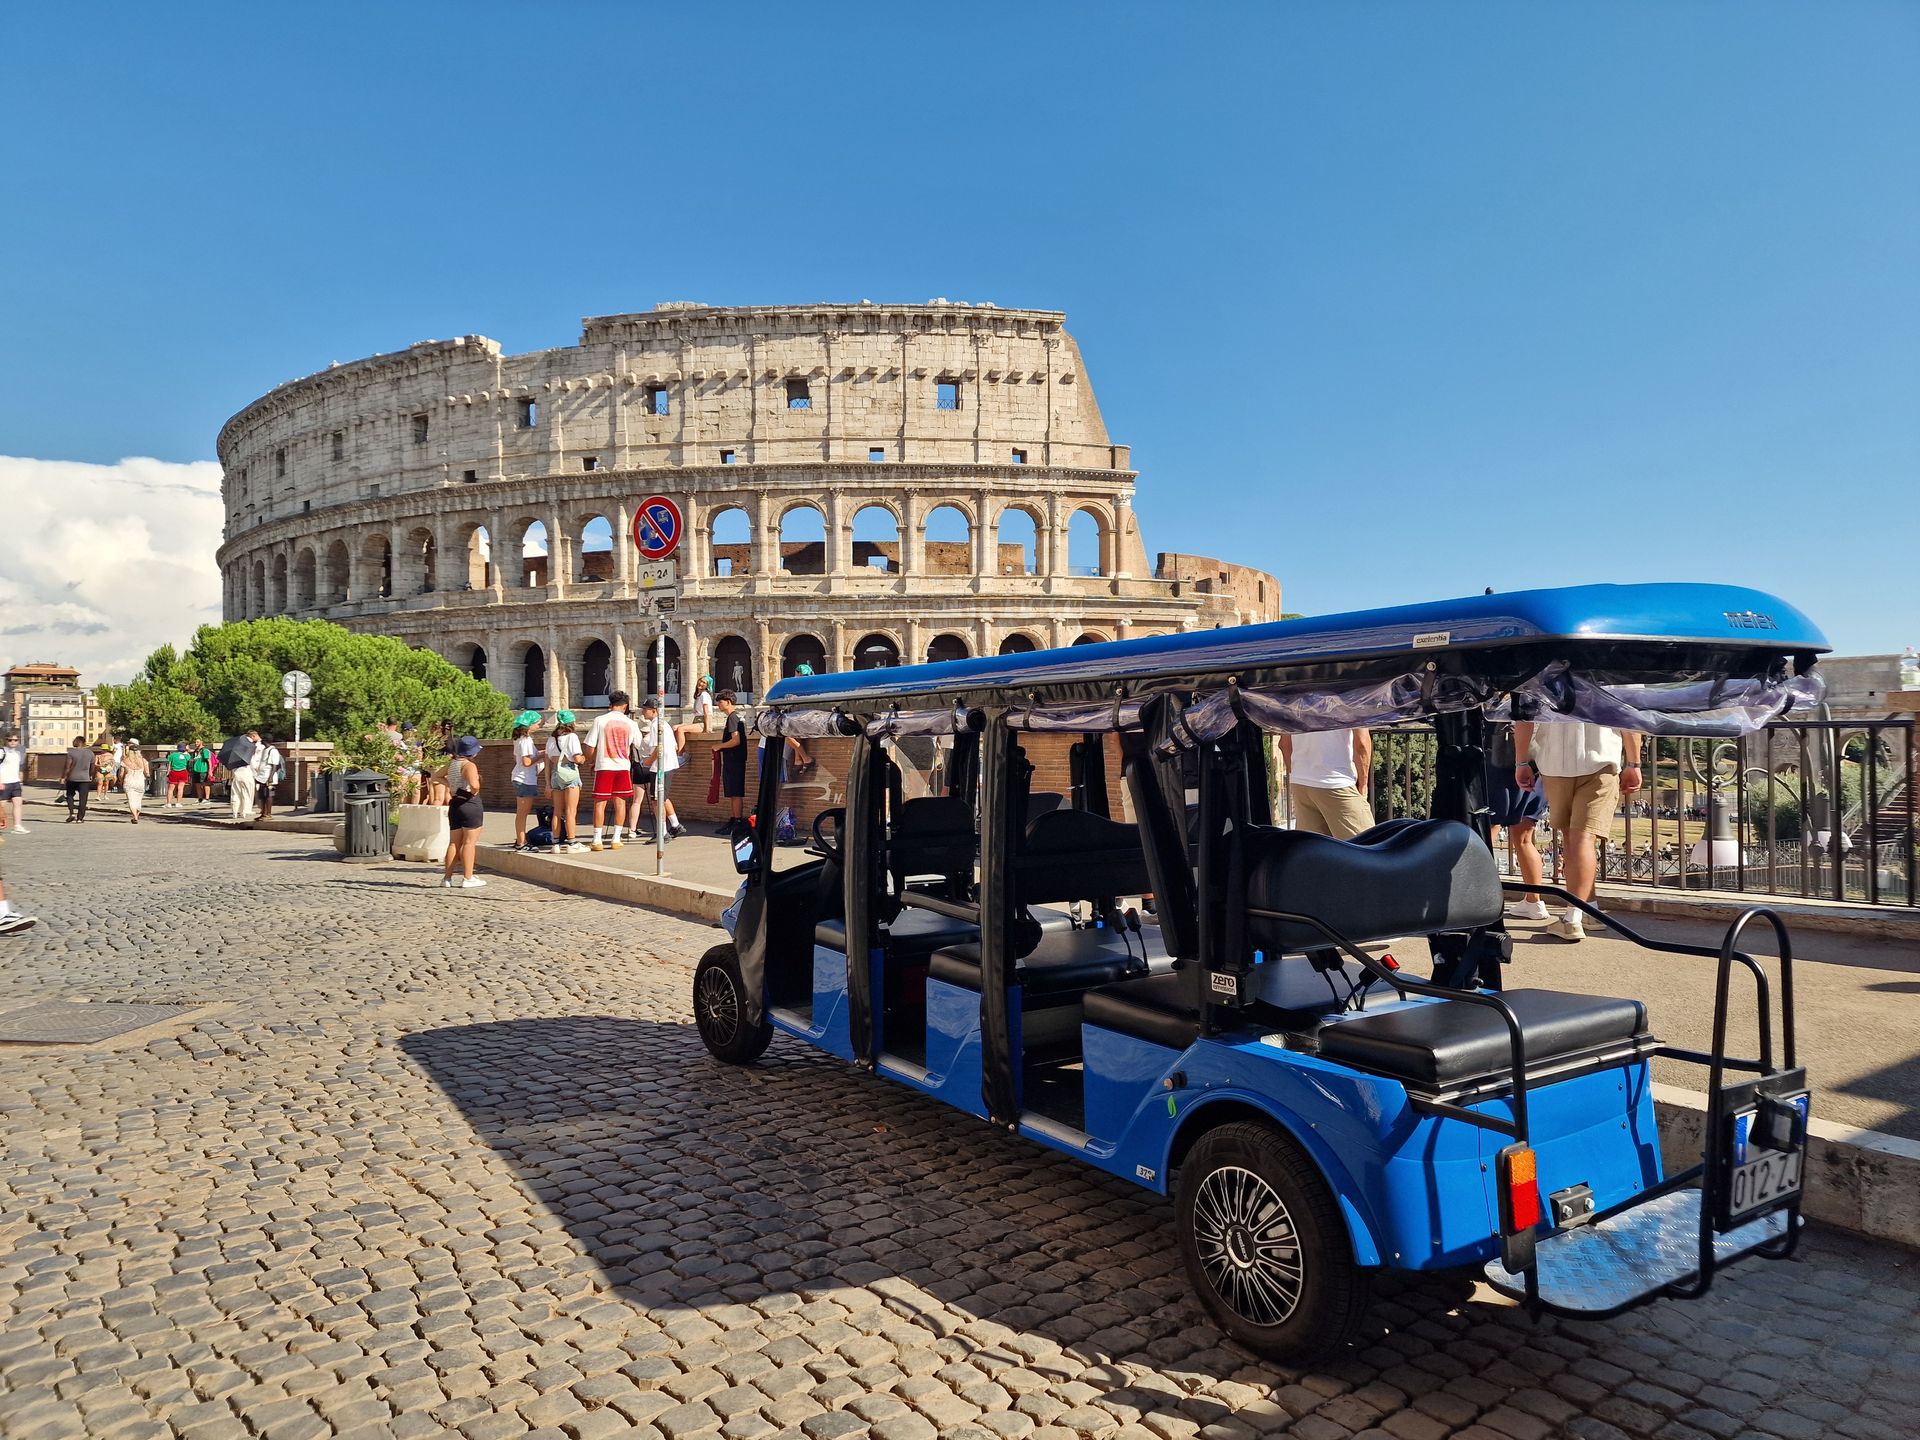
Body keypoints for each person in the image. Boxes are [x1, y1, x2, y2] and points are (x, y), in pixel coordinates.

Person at [1513, 717, 1642, 942]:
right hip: (1600, 759)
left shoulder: (1542, 678)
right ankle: (1578, 915)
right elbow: (1627, 717)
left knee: (1573, 838)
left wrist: (1522, 762)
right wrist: (1634, 764)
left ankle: (1583, 913)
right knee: (1583, 839)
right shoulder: (1611, 678)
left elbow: (1524, 714)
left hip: (1555, 762)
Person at [1485, 724, 1548, 920]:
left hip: (1501, 762)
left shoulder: (1502, 700)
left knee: (1487, 832)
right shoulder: (1539, 697)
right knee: (1524, 838)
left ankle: (1476, 897)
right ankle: (1534, 901)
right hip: (1537, 766)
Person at [1278, 727, 1375, 839]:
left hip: (1301, 784)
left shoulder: (1295, 708)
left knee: (1315, 850)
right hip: (1337, 781)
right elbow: (1361, 744)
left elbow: (1284, 744)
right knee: (1366, 847)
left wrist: (1296, 772)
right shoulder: (1353, 708)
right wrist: (1363, 785)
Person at [583, 690, 639, 851]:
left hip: (604, 764)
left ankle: (597, 839)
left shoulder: (600, 720)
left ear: (611, 704)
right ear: (625, 705)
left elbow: (590, 746)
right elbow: (639, 745)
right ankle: (616, 838)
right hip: (622, 766)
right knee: (620, 802)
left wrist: (591, 760)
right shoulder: (632, 724)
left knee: (600, 803)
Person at [632, 696, 687, 840]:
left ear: (654, 711)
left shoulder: (656, 725)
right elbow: (674, 746)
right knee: (662, 797)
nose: (643, 712)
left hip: (660, 767)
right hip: (668, 764)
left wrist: (648, 761)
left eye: (645, 709)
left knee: (657, 800)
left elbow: (658, 747)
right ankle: (675, 825)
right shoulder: (665, 724)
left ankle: (663, 832)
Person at [438, 735, 487, 889]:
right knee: (469, 843)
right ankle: (468, 877)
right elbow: (474, 785)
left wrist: (452, 786)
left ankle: (447, 878)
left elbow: (436, 776)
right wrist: (472, 789)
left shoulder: (452, 764)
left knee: (453, 842)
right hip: (469, 803)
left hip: (455, 804)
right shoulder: (469, 765)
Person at [544, 710, 587, 853]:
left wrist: (548, 784)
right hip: (569, 771)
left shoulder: (552, 739)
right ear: (571, 722)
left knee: (557, 810)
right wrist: (583, 758)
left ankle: (555, 843)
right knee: (570, 810)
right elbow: (576, 758)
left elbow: (547, 760)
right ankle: (572, 842)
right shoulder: (572, 737)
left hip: (556, 774)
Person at [713, 690, 750, 832]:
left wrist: (719, 746)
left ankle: (738, 820)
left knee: (735, 791)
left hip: (735, 760)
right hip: (734, 759)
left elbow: (736, 740)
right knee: (732, 791)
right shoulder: (735, 718)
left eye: (720, 701)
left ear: (728, 702)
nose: (718, 704)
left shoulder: (733, 718)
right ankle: (734, 818)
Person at [507, 710, 544, 849]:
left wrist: (540, 753)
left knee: (522, 813)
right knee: (523, 813)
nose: (539, 726)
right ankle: (521, 842)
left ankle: (520, 840)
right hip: (525, 779)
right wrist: (541, 756)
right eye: (537, 724)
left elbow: (518, 758)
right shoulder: (526, 740)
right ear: (529, 725)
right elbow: (527, 762)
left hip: (521, 777)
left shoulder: (519, 740)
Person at [221, 729, 259, 822]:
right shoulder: (249, 747)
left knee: (235, 794)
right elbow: (254, 764)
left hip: (237, 775)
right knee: (247, 793)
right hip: (247, 774)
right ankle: (245, 811)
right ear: (252, 736)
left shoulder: (234, 752)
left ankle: (234, 811)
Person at [62, 736, 96, 823]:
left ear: (76, 742)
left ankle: (72, 813)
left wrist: (63, 777)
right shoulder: (90, 753)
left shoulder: (71, 752)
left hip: (72, 778)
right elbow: (92, 767)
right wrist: (91, 776)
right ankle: (80, 818)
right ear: (84, 742)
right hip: (85, 779)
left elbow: (67, 767)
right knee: (83, 799)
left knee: (69, 795)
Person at [250, 734, 284, 820]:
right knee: (262, 796)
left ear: (265, 740)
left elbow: (274, 766)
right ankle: (263, 813)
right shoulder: (265, 750)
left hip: (268, 777)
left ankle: (268, 814)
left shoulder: (273, 751)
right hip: (261, 777)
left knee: (268, 795)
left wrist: (271, 777)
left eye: (262, 739)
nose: (260, 741)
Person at [121, 740, 150, 824]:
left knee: (131, 799)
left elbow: (121, 774)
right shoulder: (143, 760)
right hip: (140, 780)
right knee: (138, 800)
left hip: (129, 780)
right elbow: (147, 773)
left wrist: (121, 779)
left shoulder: (125, 760)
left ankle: (135, 816)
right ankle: (136, 815)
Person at [1, 731, 24, 833]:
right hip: (4, 782)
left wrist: (20, 778)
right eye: (10, 740)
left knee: (18, 803)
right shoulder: (2, 752)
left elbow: (18, 767)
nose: (13, 742)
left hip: (15, 782)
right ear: (6, 741)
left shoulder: (17, 753)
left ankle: (17, 826)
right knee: (2, 806)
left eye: (15, 740)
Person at [164, 742, 192, 807]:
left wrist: (168, 772)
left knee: (171, 788)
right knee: (180, 788)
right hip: (183, 772)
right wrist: (187, 750)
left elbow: (169, 765)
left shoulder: (172, 755)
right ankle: (178, 803)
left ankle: (168, 803)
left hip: (174, 772)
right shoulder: (187, 756)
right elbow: (189, 759)